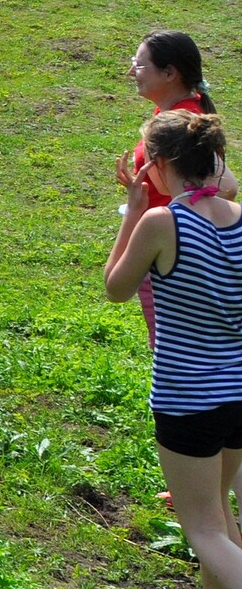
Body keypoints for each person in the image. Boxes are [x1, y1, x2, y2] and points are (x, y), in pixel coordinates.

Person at [106, 110, 242, 589]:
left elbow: (116, 287)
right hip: (239, 392)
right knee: (221, 515)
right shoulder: (241, 218)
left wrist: (134, 211)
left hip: (188, 400)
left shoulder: (163, 223)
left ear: (159, 165)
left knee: (203, 529)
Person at [120, 31, 230, 350]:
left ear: (170, 73)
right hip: (165, 244)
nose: (131, 71)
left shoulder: (185, 124)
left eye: (140, 65)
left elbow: (226, 187)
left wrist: (176, 221)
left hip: (171, 251)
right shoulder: (175, 115)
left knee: (174, 347)